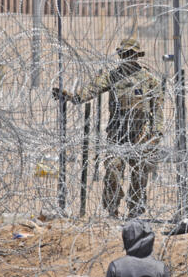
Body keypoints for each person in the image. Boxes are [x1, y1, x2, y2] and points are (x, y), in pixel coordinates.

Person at [52, 38, 163, 218]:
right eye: (125, 54)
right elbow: (88, 92)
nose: (127, 58)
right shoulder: (112, 76)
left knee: (139, 173)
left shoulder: (149, 80)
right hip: (117, 132)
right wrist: (70, 96)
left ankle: (135, 210)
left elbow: (157, 108)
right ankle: (112, 208)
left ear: (136, 56)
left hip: (140, 133)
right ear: (121, 56)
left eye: (131, 54)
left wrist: (157, 133)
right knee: (112, 169)